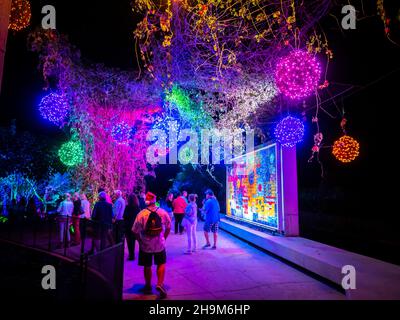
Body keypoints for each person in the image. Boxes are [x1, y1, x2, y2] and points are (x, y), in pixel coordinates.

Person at [132, 192, 171, 299]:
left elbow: (135, 231)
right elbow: (168, 227)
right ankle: (159, 284)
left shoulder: (141, 214)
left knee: (147, 265)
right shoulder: (162, 212)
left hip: (146, 245)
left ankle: (148, 286)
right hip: (159, 244)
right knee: (161, 263)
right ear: (155, 201)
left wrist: (140, 241)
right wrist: (164, 238)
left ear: (146, 202)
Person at [123, 193, 140, 260]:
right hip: (136, 226)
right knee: (138, 240)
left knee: (130, 241)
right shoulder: (137, 208)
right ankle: (141, 253)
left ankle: (131, 255)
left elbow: (124, 216)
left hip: (128, 227)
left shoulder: (127, 207)